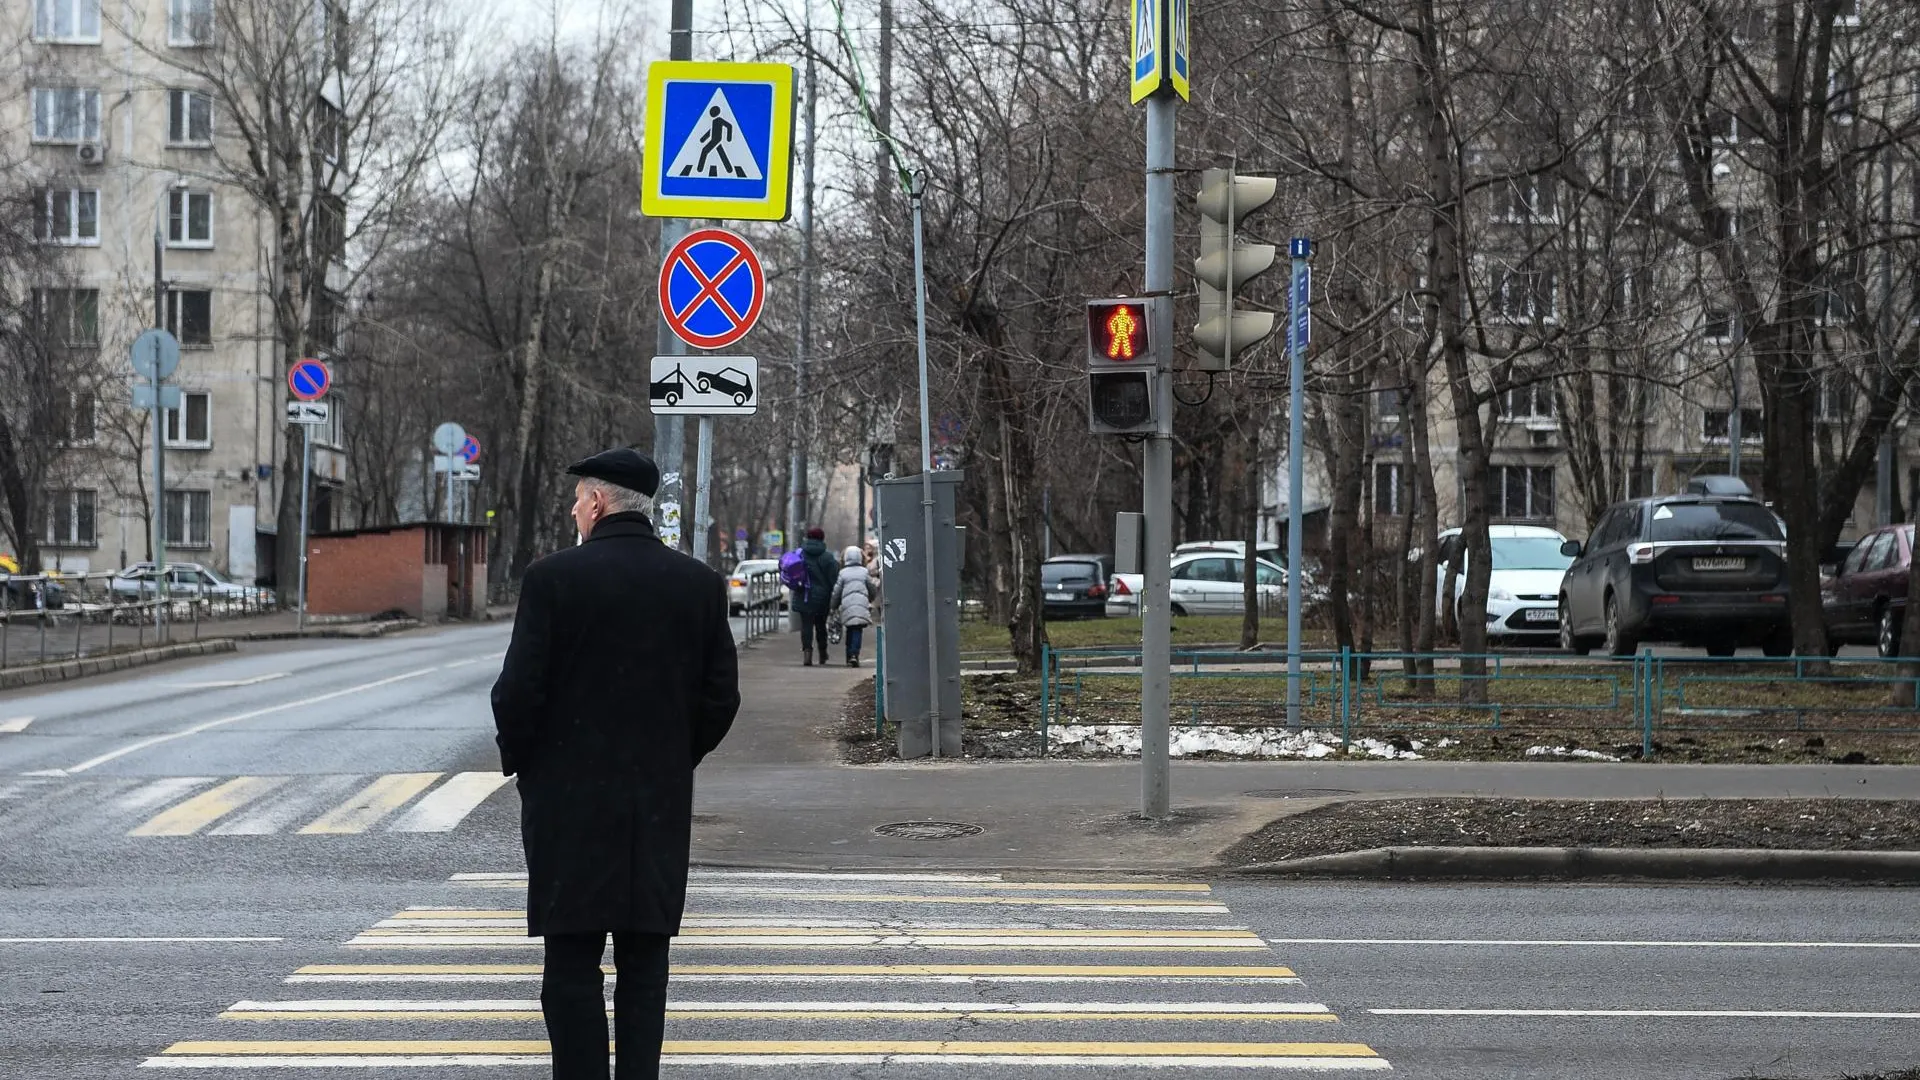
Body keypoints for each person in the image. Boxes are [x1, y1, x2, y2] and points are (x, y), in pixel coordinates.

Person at [491, 446, 740, 1080]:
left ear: (598, 503)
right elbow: (721, 697)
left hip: (568, 805)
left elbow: (517, 692)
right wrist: (674, 757)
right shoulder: (699, 585)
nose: (575, 509)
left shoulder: (553, 580)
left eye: (578, 499)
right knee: (645, 966)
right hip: (654, 803)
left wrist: (533, 766)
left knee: (570, 962)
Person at [793, 527, 839, 666]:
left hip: (803, 595)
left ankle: (807, 652)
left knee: (806, 626)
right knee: (821, 626)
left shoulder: (800, 555)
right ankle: (823, 653)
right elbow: (834, 579)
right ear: (822, 539)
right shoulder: (827, 557)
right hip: (822, 598)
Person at [831, 546, 874, 667]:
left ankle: (849, 655)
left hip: (847, 605)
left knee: (850, 629)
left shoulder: (843, 573)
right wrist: (869, 599)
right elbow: (871, 588)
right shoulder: (864, 572)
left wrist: (833, 605)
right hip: (861, 604)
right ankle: (854, 654)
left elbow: (837, 592)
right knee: (857, 630)